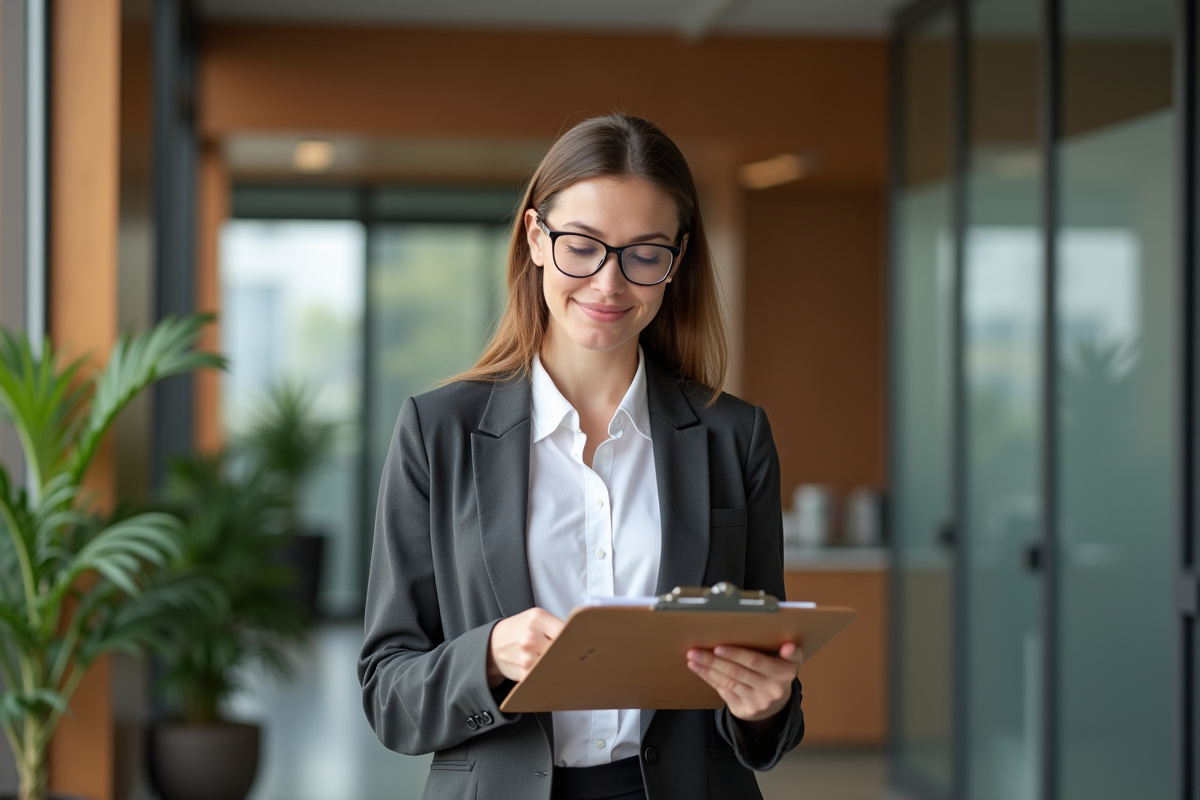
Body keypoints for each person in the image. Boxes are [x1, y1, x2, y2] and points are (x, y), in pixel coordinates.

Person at [359, 113, 805, 800]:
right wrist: (488, 656)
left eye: (644, 254)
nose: (608, 283)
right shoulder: (437, 430)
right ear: (536, 239)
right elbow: (389, 694)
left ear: (676, 260)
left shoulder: (734, 436)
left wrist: (765, 707)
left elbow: (767, 692)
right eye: (582, 246)